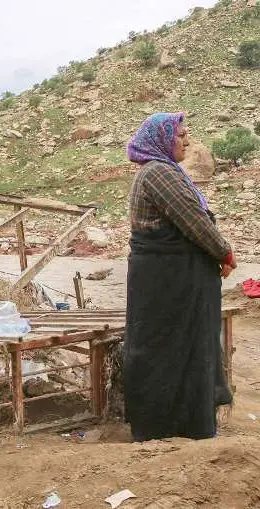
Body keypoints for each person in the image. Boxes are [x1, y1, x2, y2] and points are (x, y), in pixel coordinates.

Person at [124, 112, 237, 442]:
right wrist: (224, 253)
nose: (187, 141)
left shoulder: (162, 171)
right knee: (173, 348)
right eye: (180, 135)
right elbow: (195, 222)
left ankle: (175, 424)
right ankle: (173, 426)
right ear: (161, 140)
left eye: (187, 134)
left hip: (169, 281)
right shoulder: (159, 173)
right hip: (170, 283)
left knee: (176, 347)